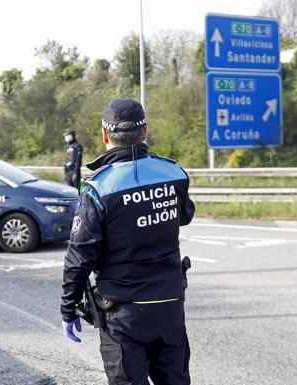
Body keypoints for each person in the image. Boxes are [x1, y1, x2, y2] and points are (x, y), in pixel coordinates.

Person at [60, 99, 195, 385]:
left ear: (105, 136)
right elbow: (184, 216)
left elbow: (79, 256)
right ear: (145, 133)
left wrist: (68, 307)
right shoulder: (174, 173)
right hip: (169, 305)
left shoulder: (98, 187)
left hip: (122, 315)